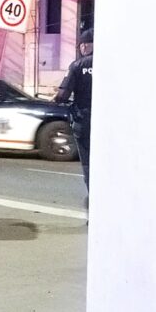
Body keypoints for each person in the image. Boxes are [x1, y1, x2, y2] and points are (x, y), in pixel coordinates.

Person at [54, 28, 94, 192]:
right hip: (107, 122)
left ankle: (93, 193)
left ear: (84, 46)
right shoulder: (110, 63)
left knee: (87, 161)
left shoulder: (77, 65)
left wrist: (56, 99)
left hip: (83, 119)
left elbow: (63, 95)